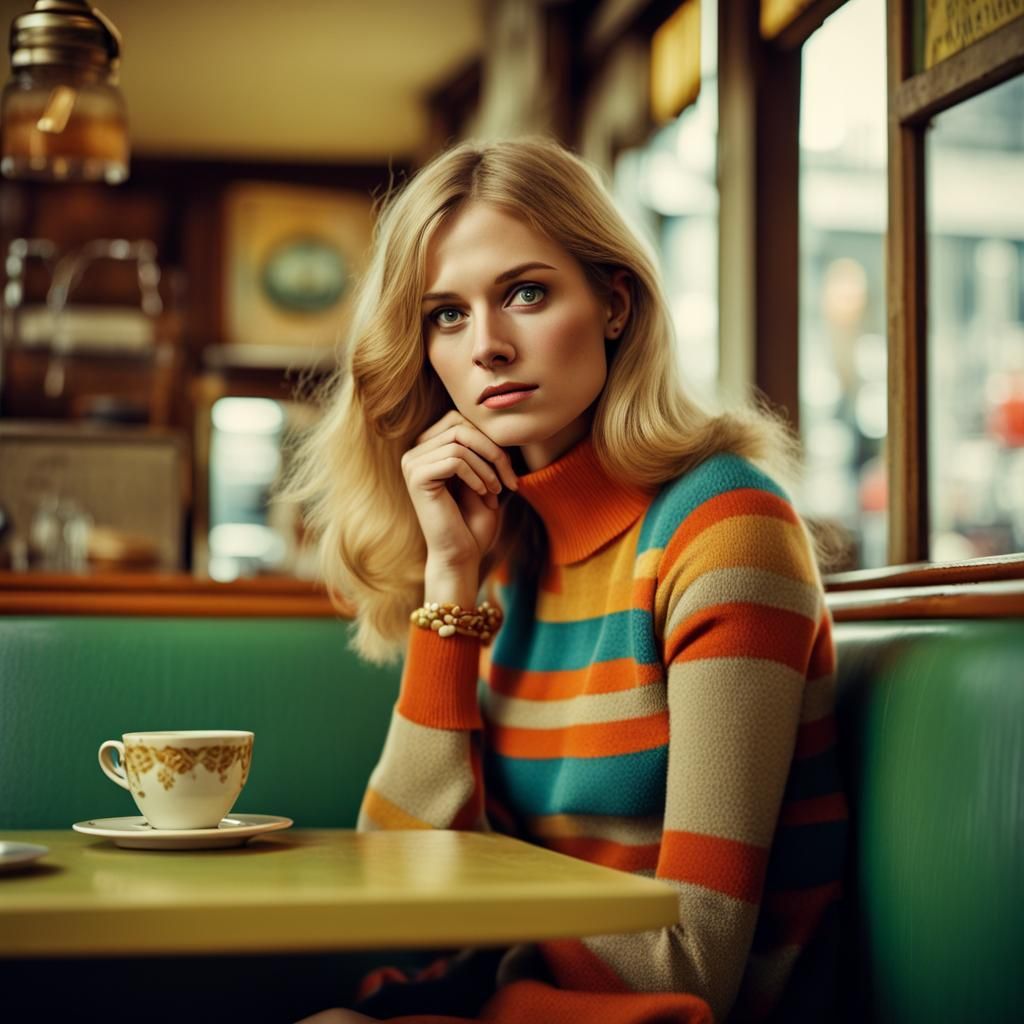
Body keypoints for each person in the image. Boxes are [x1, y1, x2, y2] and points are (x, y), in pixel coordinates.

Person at [287, 137, 848, 1024]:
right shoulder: (503, 547)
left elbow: (690, 964)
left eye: (526, 293)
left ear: (615, 303)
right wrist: (451, 579)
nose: (488, 347)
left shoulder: (726, 528)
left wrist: (496, 950)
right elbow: (396, 885)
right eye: (447, 315)